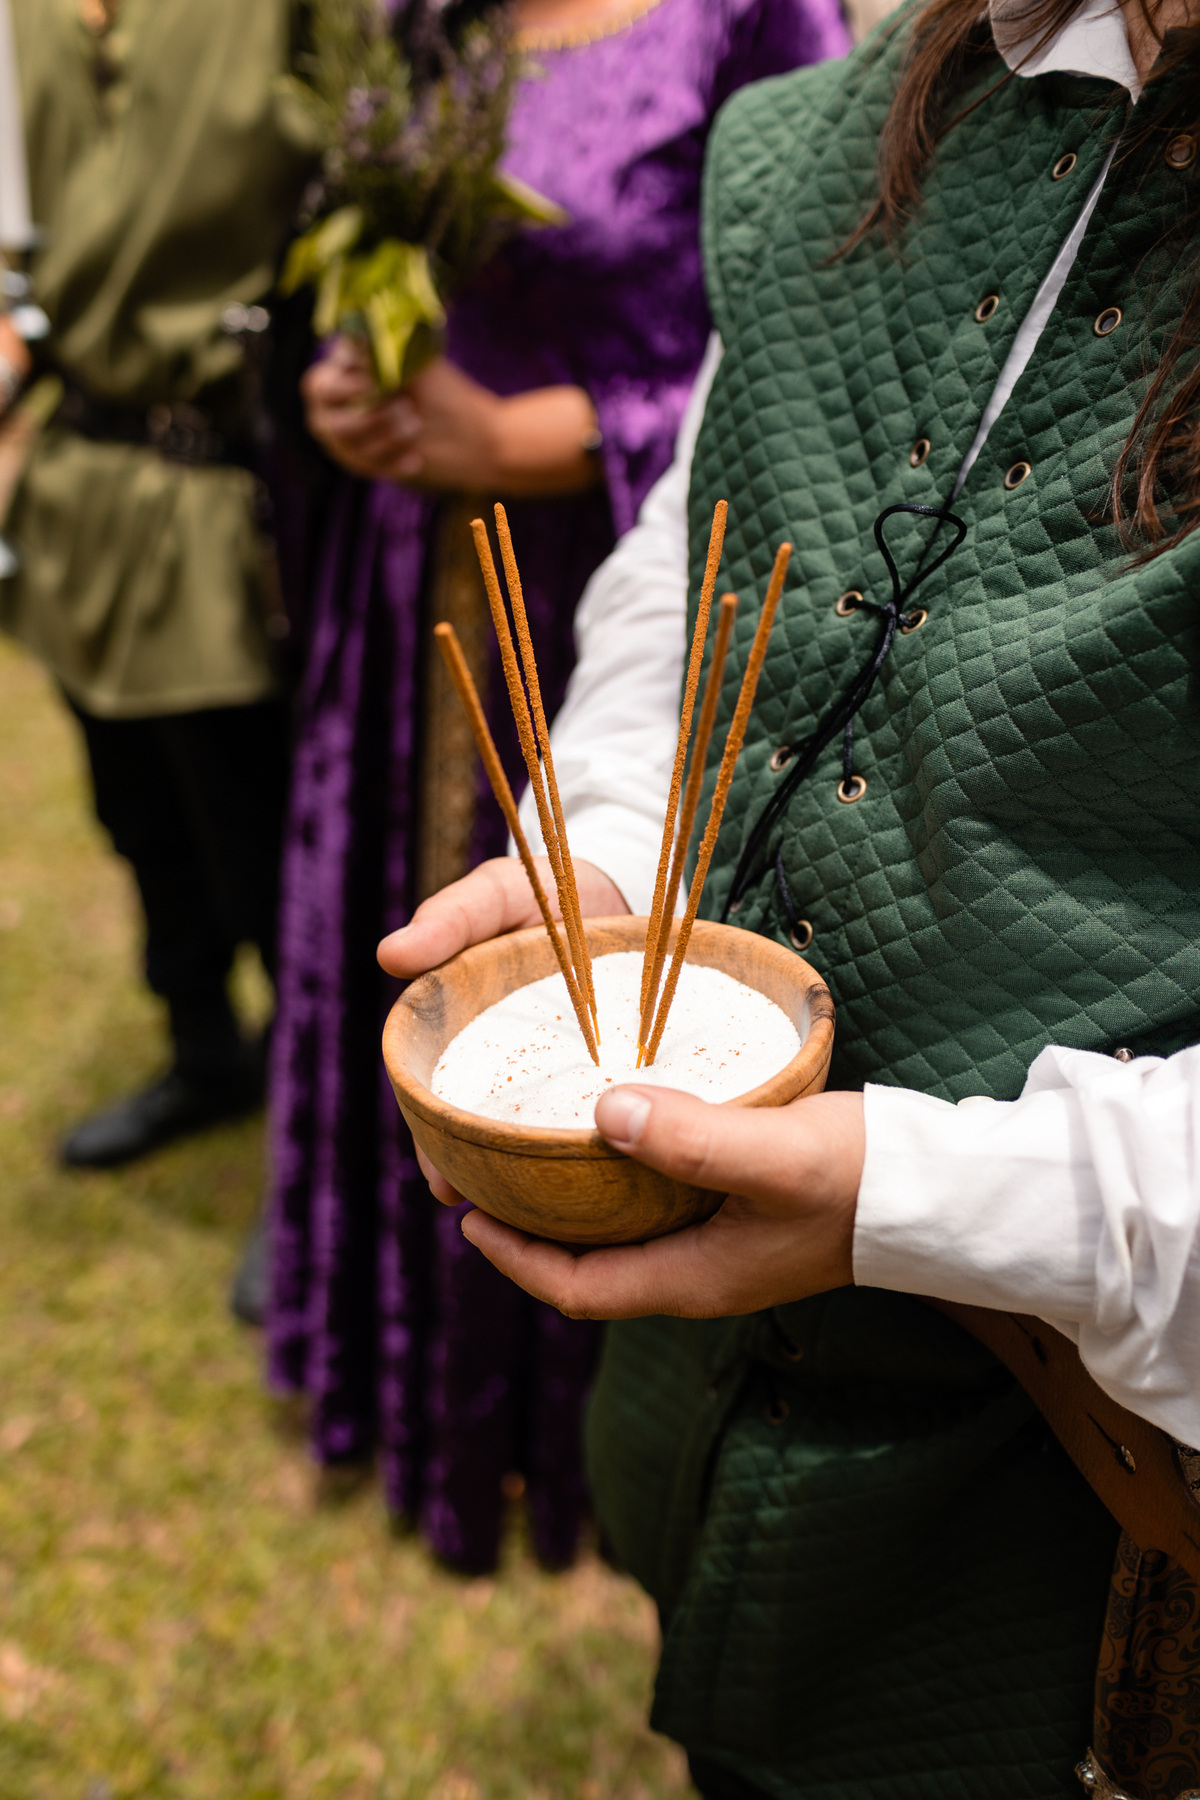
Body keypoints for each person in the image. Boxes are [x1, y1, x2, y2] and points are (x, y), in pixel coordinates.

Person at [381, 0, 1200, 1790]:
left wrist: (911, 1195)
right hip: (748, 1440)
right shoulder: (853, 126)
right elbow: (706, 547)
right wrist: (604, 835)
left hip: (1091, 1539)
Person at [263, 0, 851, 1569]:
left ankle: (554, 1423)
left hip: (617, 575)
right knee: (422, 978)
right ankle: (396, 1364)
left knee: (585, 1018)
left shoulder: (762, 20)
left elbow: (802, 348)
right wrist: (359, 374)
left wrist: (531, 431)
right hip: (409, 594)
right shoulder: (421, 18)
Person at [1, 0, 317, 1167]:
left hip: (213, 489)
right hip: (77, 477)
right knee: (133, 812)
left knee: (257, 831)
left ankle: (309, 1127)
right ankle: (202, 1052)